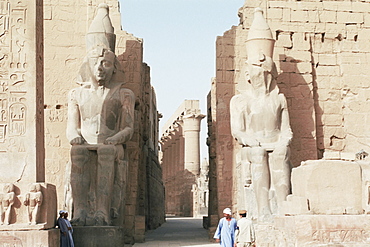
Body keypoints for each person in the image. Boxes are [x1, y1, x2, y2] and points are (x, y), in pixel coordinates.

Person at [66, 4, 135, 226]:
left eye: (105, 63)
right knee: (78, 153)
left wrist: (115, 138)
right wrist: (74, 137)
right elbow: (71, 126)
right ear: (87, 66)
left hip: (110, 143)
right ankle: (81, 210)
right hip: (85, 141)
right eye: (95, 63)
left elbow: (128, 128)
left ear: (114, 68)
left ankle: (103, 212)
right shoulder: (76, 94)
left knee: (106, 152)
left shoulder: (124, 93)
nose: (100, 68)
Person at [230, 8, 292, 220]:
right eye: (257, 70)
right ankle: (263, 207)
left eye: (265, 70)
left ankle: (284, 206)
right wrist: (252, 141)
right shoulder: (240, 100)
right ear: (247, 74)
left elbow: (287, 129)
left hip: (275, 141)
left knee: (281, 155)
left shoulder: (279, 99)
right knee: (258, 155)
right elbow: (237, 130)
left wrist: (284, 141)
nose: (262, 74)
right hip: (253, 145)